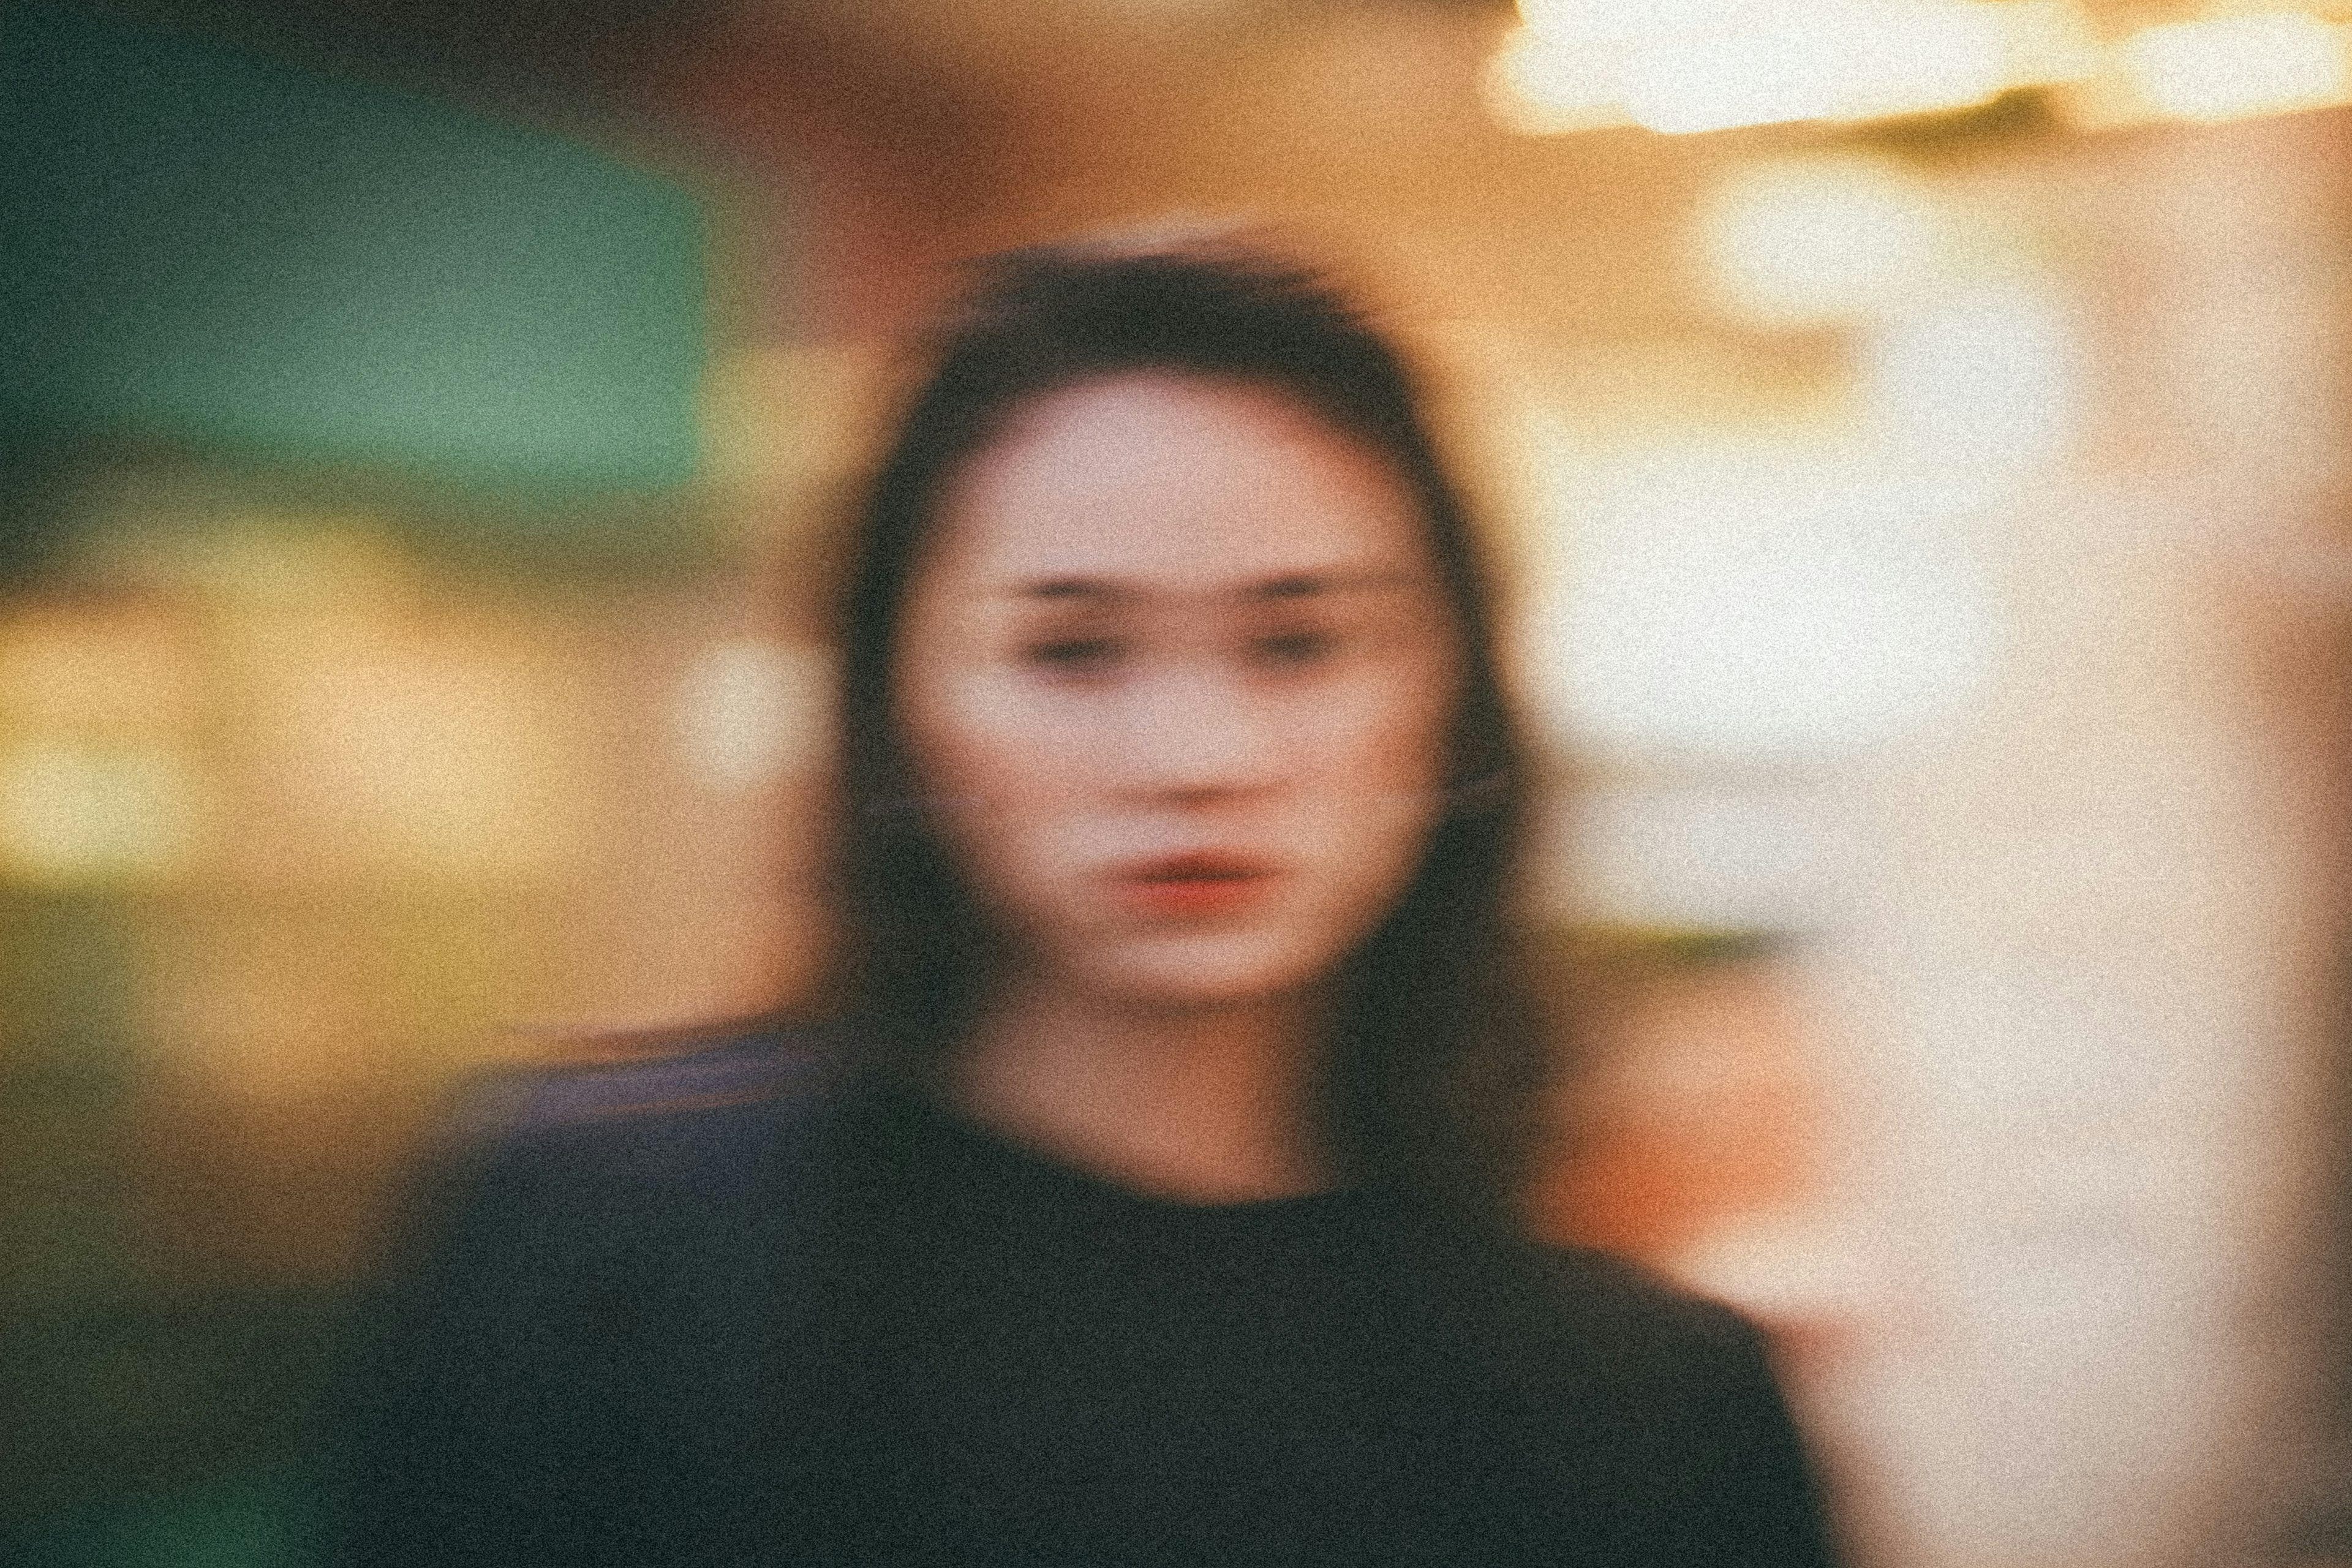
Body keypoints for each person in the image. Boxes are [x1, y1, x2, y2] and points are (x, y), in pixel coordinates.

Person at [317, 238, 1840, 1567]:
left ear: (1454, 707)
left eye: (1301, 645)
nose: (1196, 759)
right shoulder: (600, 1249)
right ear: (897, 699)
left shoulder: (1652, 1408)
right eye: (1073, 650)